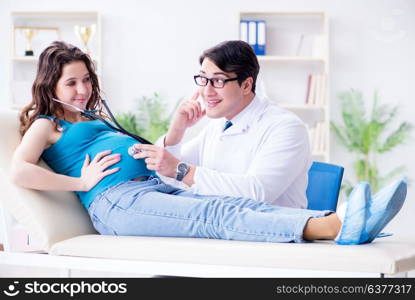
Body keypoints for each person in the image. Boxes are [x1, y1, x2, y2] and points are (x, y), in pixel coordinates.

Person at [10, 41, 407, 246]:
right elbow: (19, 170)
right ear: (52, 86)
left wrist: (176, 132)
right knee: (216, 217)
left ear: (246, 84)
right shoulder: (48, 124)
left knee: (230, 206)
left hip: (149, 189)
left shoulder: (94, 119)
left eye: (86, 80)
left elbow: (168, 158)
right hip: (116, 200)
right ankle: (336, 226)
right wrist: (81, 184)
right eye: (71, 83)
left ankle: (346, 221)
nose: (82, 90)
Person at [133, 40, 311, 208]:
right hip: (223, 230)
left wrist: (182, 171)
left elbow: (257, 192)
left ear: (246, 85)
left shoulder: (286, 128)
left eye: (218, 80)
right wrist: (177, 130)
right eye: (203, 79)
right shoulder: (219, 125)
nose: (207, 91)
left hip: (270, 236)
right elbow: (168, 174)